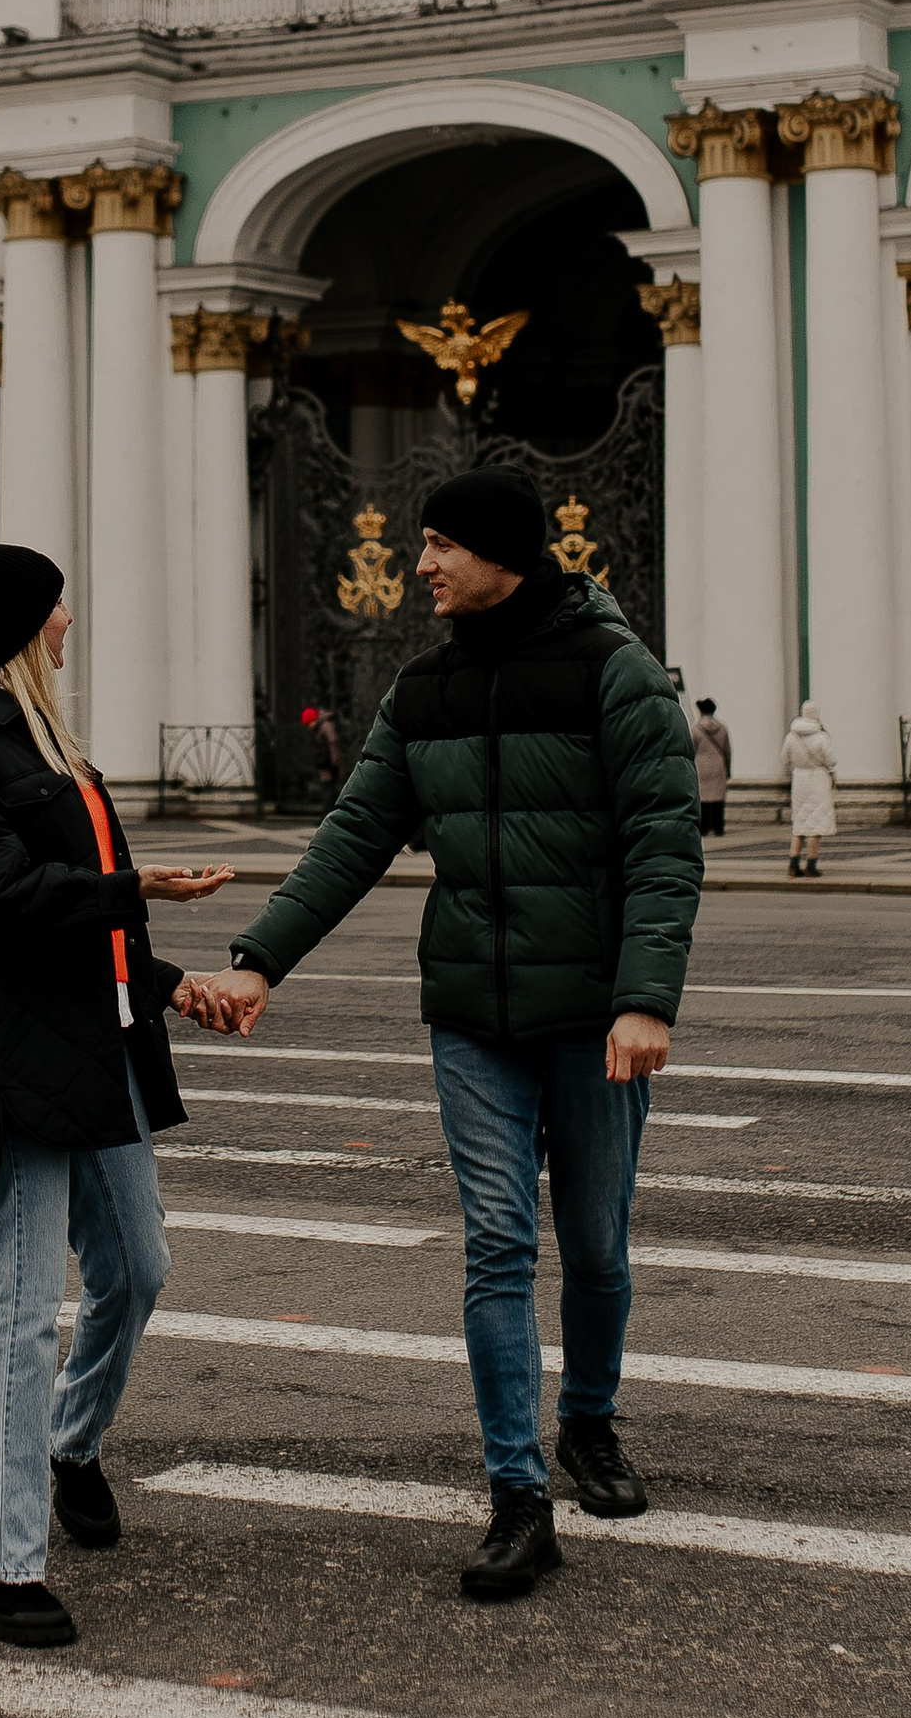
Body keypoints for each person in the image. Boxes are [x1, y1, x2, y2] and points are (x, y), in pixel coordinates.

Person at [199, 464, 701, 1602]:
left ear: (500, 554)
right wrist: (257, 960)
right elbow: (352, 835)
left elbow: (665, 847)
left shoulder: (614, 676)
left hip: (590, 1017)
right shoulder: (420, 690)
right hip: (472, 1015)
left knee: (597, 1246)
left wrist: (645, 999)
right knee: (494, 1244)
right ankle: (516, 1495)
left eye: (436, 545)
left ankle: (588, 1423)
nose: (416, 565)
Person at [0, 538, 236, 1652]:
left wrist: (170, 984)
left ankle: (71, 1441)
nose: (71, 622)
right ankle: (0, 1564)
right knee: (21, 1303)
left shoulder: (41, 739)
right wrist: (134, 886)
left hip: (101, 1041)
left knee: (138, 1266)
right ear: (21, 629)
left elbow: (84, 921)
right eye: (56, 609)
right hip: (13, 1058)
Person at [782, 698, 837, 878]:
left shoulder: (792, 736)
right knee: (816, 824)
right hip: (818, 780)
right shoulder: (821, 737)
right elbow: (831, 760)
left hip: (800, 780)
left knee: (799, 824)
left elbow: (785, 759)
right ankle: (811, 864)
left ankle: (793, 863)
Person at [691, 695, 732, 840]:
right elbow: (727, 750)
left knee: (703, 798)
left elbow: (691, 749)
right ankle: (718, 826)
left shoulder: (695, 729)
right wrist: (728, 767)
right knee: (718, 797)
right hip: (718, 765)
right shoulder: (722, 728)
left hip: (701, 765)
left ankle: (704, 826)